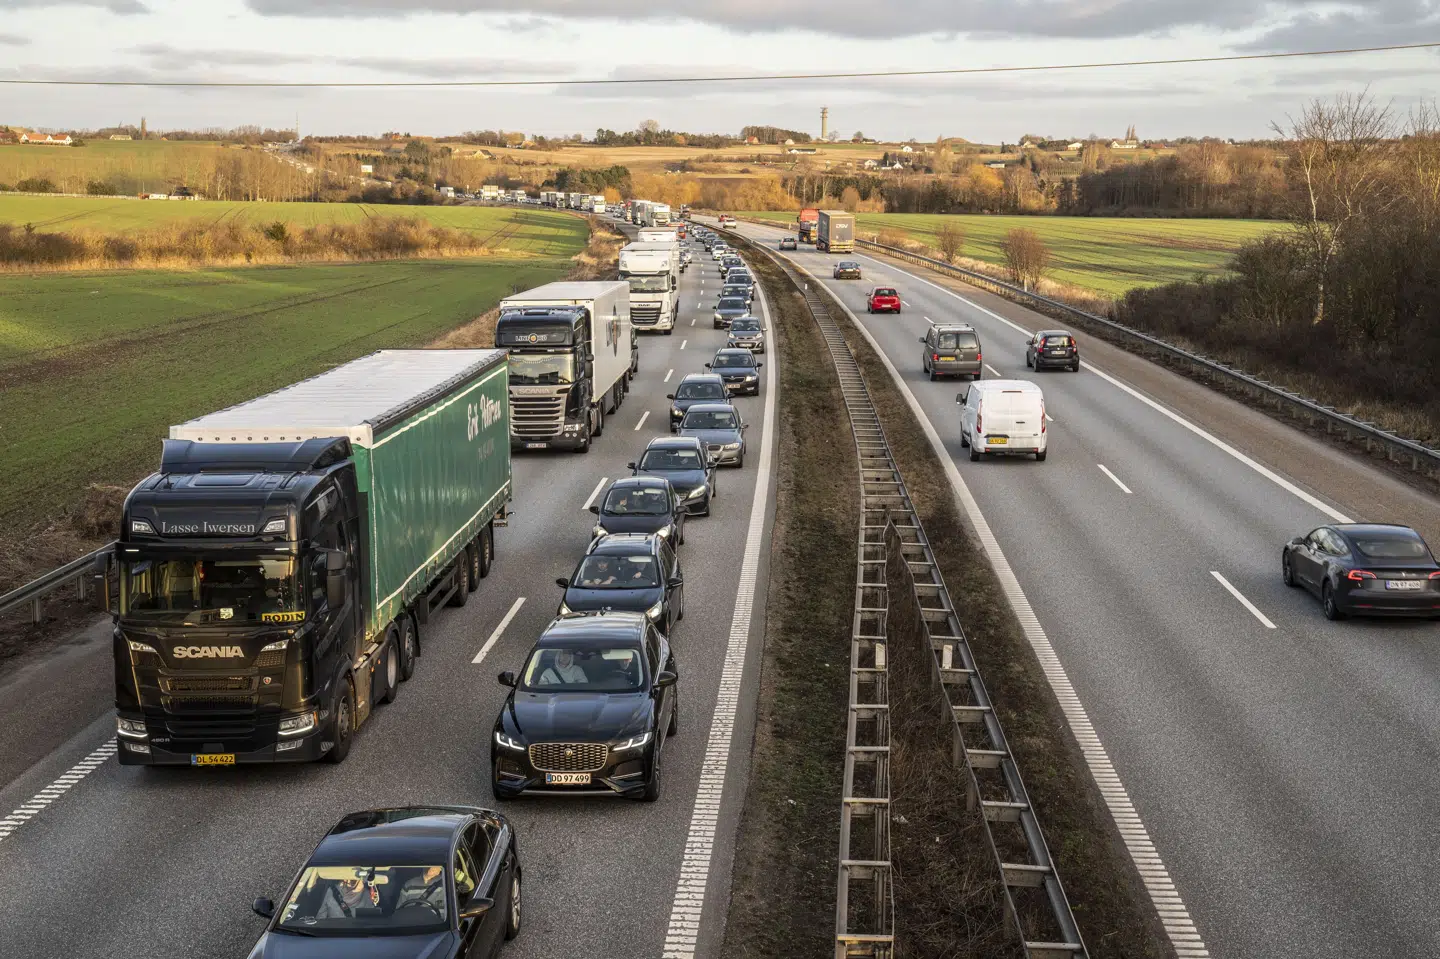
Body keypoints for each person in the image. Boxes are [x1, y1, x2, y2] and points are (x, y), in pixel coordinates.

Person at [314, 872, 379, 920]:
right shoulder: (331, 891)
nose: (348, 881)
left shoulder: (369, 895)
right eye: (347, 876)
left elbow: (370, 922)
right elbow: (320, 918)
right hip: (333, 935)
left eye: (353, 879)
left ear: (362, 879)